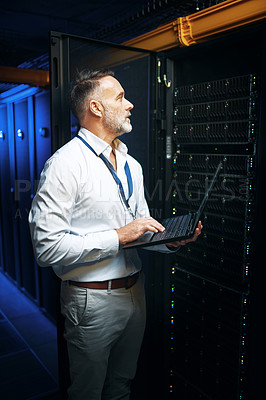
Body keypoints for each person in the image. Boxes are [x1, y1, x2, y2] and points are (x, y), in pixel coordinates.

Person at [28, 69, 202, 400]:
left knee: (122, 385)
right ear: (95, 107)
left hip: (135, 294)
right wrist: (119, 236)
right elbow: (46, 249)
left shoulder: (129, 163)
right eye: (120, 98)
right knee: (87, 393)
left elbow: (139, 228)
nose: (130, 104)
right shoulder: (64, 165)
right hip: (90, 301)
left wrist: (169, 240)